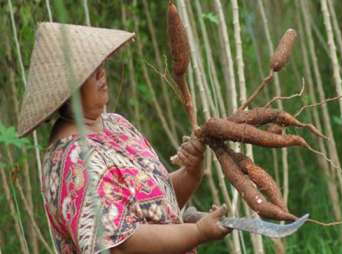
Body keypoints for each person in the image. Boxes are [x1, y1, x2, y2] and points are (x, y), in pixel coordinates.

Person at [17, 22, 230, 254]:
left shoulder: (115, 124)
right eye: (89, 71)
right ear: (66, 91)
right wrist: (197, 233)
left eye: (100, 64)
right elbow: (121, 244)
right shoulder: (73, 161)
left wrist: (191, 172)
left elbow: (155, 208)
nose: (101, 73)